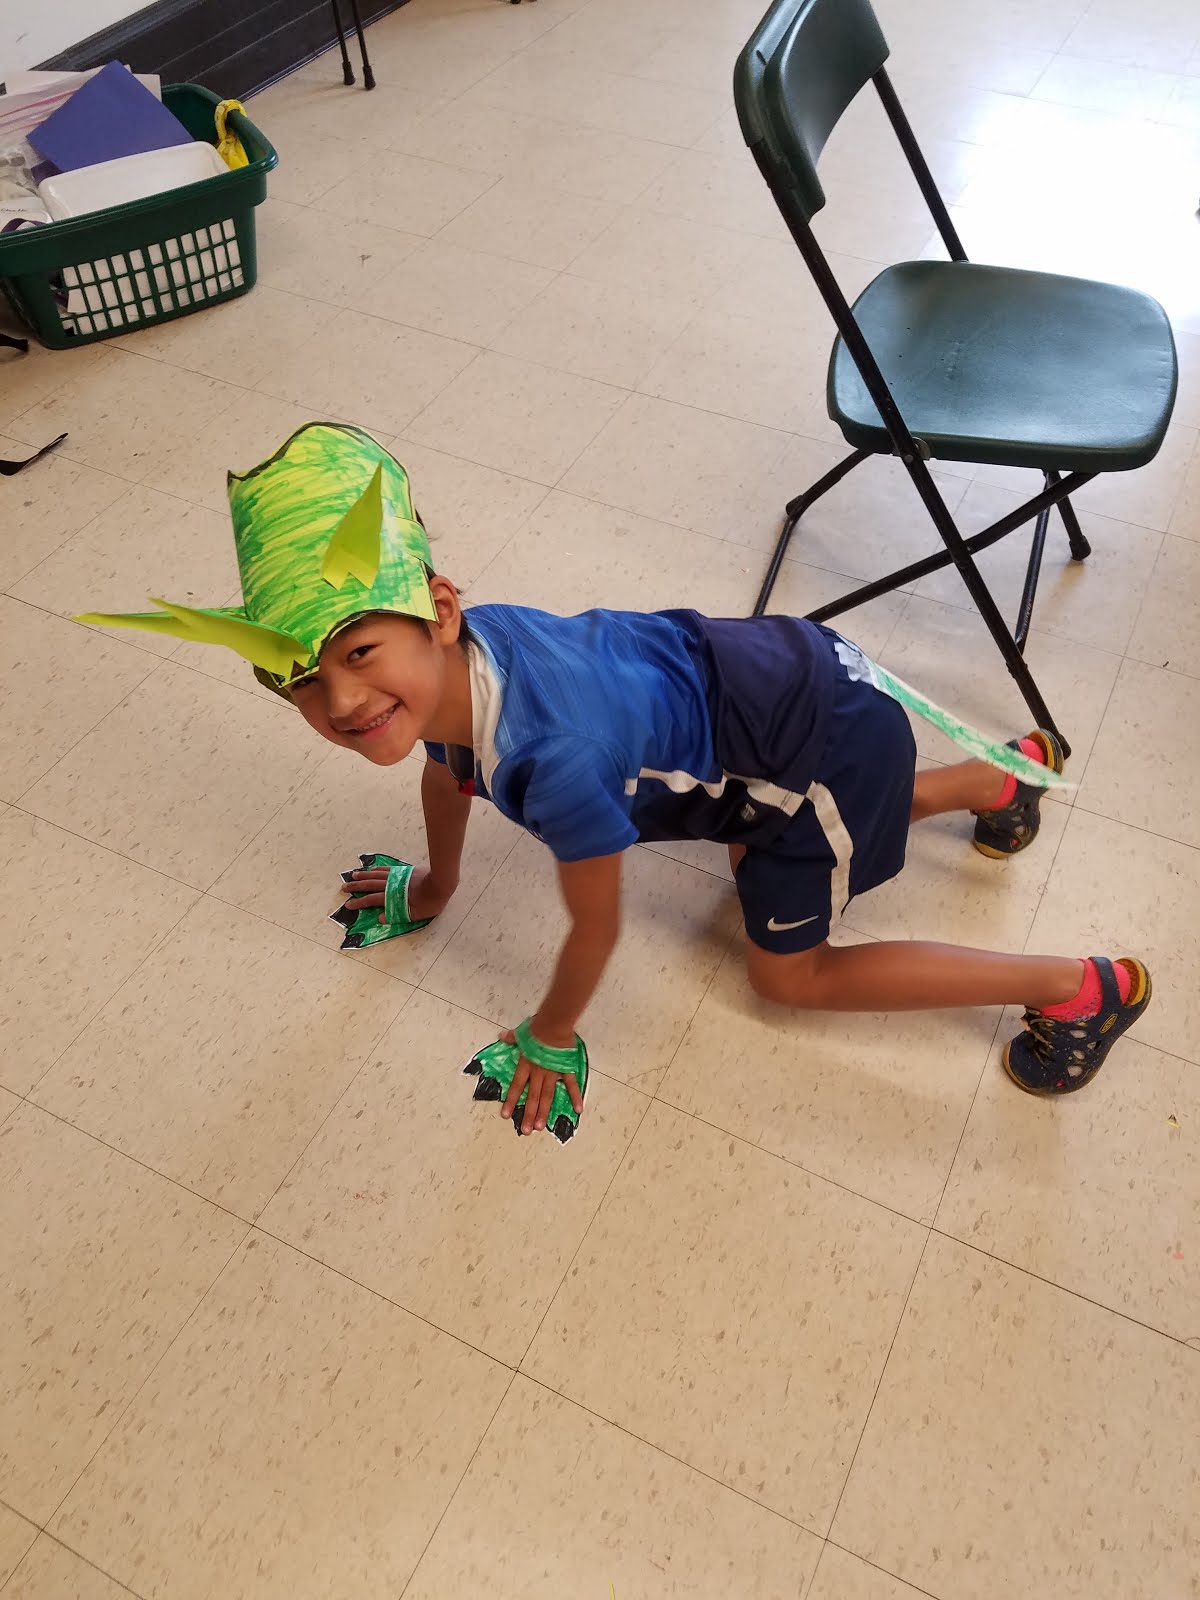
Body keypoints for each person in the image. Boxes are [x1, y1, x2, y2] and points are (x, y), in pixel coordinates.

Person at [80, 423, 1151, 1137]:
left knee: (787, 975)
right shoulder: (464, 663)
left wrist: (550, 1033)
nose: (344, 701)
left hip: (821, 739)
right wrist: (435, 887)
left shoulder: (552, 761)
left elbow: (597, 928)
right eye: (305, 684)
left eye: (358, 654)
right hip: (785, 686)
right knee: (775, 831)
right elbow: (447, 777)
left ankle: (1078, 987)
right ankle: (999, 783)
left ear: (436, 610)